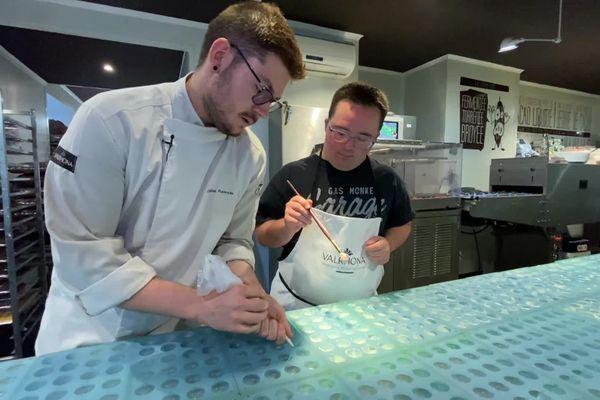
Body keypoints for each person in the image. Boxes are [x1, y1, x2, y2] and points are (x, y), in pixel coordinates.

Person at [36, 1, 305, 355]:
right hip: (91, 335)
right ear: (220, 57)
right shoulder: (110, 120)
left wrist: (251, 291)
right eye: (262, 91)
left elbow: (232, 241)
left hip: (175, 337)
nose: (262, 110)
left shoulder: (249, 154)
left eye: (273, 101)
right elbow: (82, 250)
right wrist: (200, 305)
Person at [255, 82, 414, 310]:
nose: (349, 146)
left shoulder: (387, 180)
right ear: (326, 125)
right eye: (340, 132)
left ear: (376, 138)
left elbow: (402, 224)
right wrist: (287, 226)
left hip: (362, 307)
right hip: (297, 307)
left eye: (363, 138)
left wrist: (388, 244)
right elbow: (263, 236)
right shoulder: (293, 175)